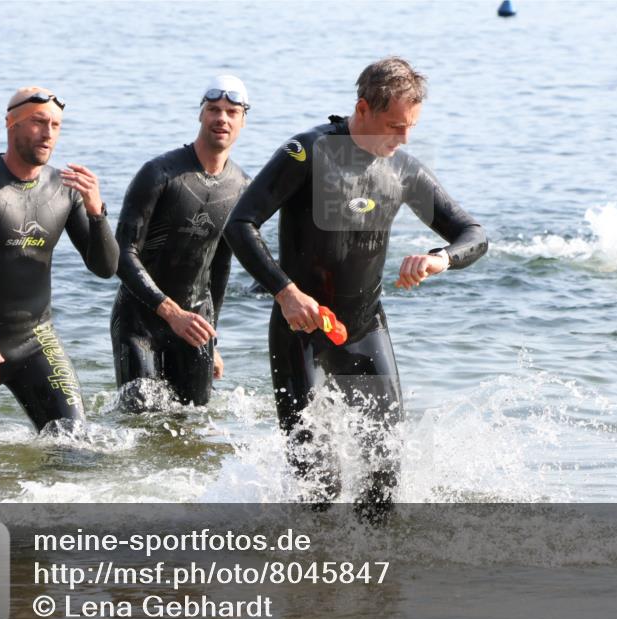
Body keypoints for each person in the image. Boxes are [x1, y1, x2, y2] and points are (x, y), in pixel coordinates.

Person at [224, 58, 487, 518]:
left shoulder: (403, 170)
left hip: (364, 328)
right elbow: (239, 225)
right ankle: (306, 562)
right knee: (319, 484)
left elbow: (473, 234)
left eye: (411, 127)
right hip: (300, 331)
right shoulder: (306, 152)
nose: (404, 138)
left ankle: (376, 565)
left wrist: (440, 258)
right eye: (395, 126)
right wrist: (286, 292)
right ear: (363, 108)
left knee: (383, 481)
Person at [0, 86, 118, 443]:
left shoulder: (66, 189)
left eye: (56, 125)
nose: (48, 133)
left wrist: (97, 213)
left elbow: (105, 268)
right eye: (38, 122)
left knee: (75, 445)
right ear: (10, 123)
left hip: (37, 340)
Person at [111, 75, 251, 409]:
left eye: (232, 112)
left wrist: (213, 339)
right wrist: (171, 312)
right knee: (141, 419)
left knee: (193, 424)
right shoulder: (158, 173)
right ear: (201, 114)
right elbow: (122, 254)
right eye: (213, 109)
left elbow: (220, 267)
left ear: (243, 120)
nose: (222, 118)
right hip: (139, 322)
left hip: (195, 323)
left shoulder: (242, 187)